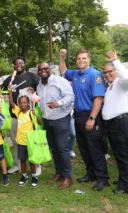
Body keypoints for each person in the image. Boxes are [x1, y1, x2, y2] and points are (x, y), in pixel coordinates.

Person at [59, 49, 109, 191]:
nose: (81, 60)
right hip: (79, 117)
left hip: (91, 117)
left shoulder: (95, 75)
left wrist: (92, 118)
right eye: (79, 58)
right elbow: (63, 70)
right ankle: (91, 174)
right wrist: (62, 56)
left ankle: (102, 179)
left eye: (84, 58)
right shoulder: (75, 74)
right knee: (84, 148)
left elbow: (99, 98)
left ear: (89, 59)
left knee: (95, 149)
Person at [0, 57, 39, 174]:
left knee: (31, 141)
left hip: (29, 115)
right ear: (13, 65)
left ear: (24, 64)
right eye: (16, 63)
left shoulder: (31, 76)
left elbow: (41, 89)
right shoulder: (10, 79)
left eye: (21, 63)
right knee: (15, 141)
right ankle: (18, 164)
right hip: (14, 115)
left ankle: (36, 164)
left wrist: (35, 92)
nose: (19, 65)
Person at [34, 63, 75, 189]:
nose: (43, 71)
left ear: (50, 69)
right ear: (38, 72)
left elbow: (70, 96)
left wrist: (58, 103)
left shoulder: (60, 81)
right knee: (55, 149)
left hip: (61, 119)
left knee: (63, 149)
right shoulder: (39, 85)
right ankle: (59, 173)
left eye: (45, 68)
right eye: (40, 69)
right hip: (47, 120)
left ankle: (68, 177)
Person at [102, 51, 128, 194]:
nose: (107, 74)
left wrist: (116, 61)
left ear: (115, 71)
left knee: (123, 155)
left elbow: (126, 77)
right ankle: (124, 179)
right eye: (105, 73)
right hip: (112, 125)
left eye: (110, 71)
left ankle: (125, 186)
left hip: (120, 123)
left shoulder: (121, 83)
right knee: (119, 154)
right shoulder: (110, 86)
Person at [8, 86, 42, 188]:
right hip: (21, 142)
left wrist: (35, 115)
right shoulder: (18, 112)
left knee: (31, 161)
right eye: (21, 103)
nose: (22, 104)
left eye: (24, 102)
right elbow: (11, 103)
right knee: (22, 160)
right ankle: (24, 176)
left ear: (28, 103)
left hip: (30, 142)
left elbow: (40, 123)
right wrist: (10, 92)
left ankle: (34, 176)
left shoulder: (31, 113)